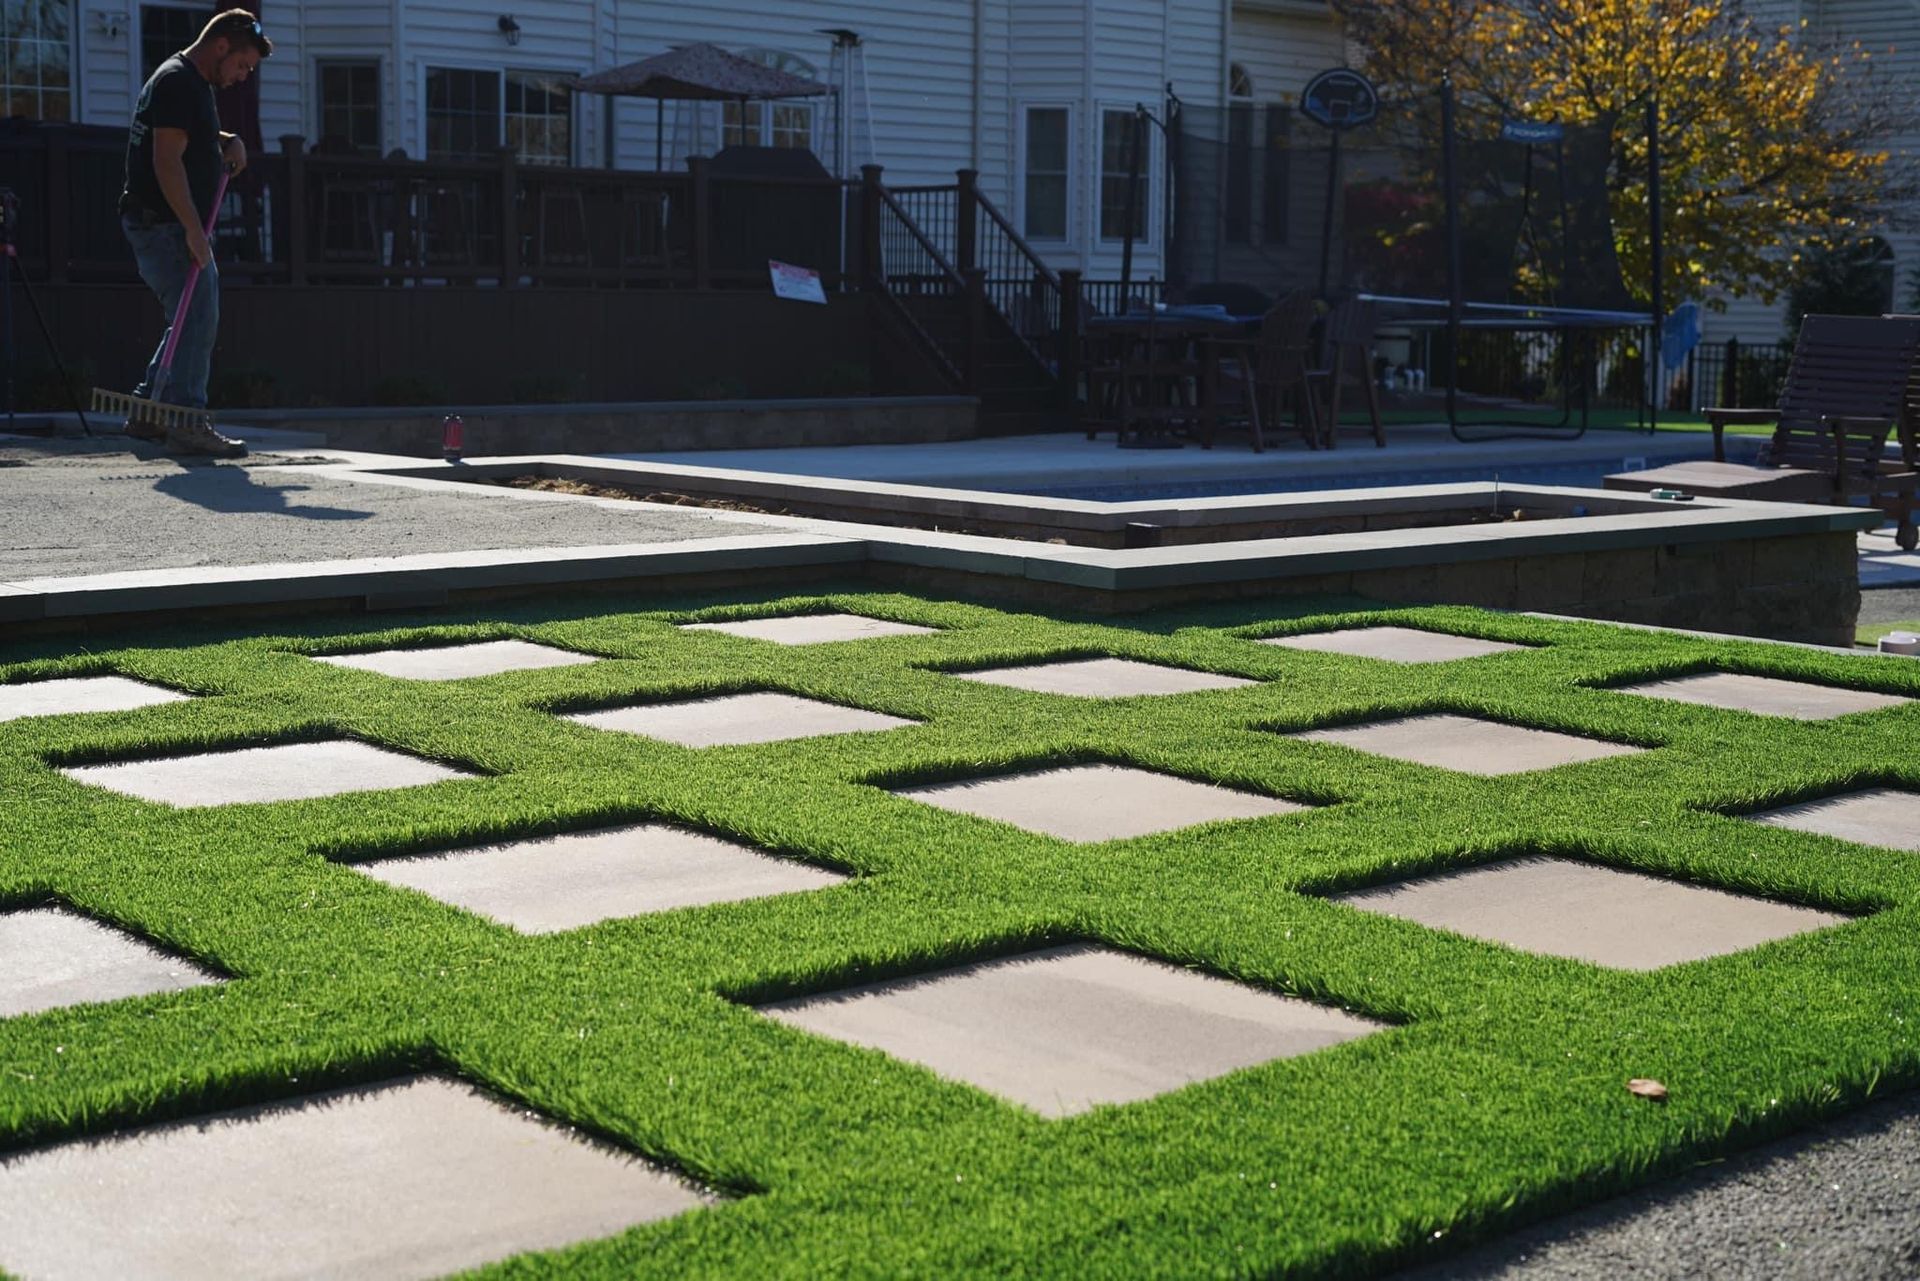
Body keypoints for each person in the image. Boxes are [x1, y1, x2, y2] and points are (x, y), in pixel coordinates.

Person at [117, 9, 272, 458]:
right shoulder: (179, 82)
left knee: (187, 315)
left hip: (164, 222)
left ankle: (149, 409)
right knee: (199, 313)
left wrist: (226, 140)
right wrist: (192, 231)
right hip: (162, 223)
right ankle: (187, 420)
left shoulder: (187, 81)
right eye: (242, 65)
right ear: (221, 46)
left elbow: (189, 133)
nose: (243, 76)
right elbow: (166, 161)